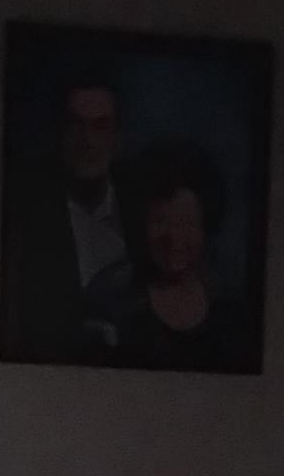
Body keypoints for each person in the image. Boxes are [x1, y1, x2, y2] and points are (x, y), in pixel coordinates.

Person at [0, 64, 133, 359]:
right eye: (77, 125)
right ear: (60, 132)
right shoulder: (26, 208)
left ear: (117, 136)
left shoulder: (139, 204)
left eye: (100, 126)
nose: (88, 141)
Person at [92, 142, 255, 372]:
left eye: (187, 223)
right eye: (161, 221)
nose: (173, 238)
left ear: (205, 226)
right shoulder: (109, 298)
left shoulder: (228, 304)